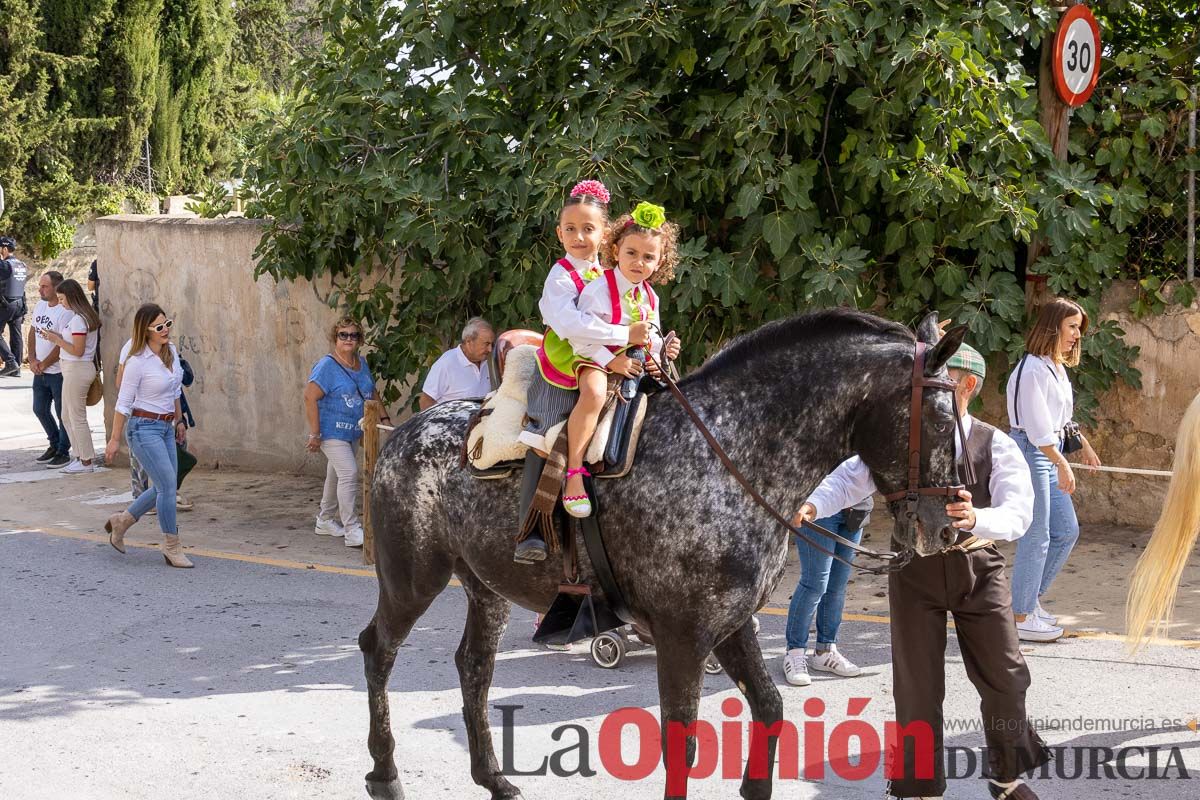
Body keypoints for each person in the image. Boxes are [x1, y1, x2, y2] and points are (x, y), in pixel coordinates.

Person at [796, 341, 1049, 800]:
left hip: (978, 567)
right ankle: (921, 788)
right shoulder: (902, 439)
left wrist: (976, 519)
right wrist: (812, 504)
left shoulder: (996, 444)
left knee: (1008, 676)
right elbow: (851, 477)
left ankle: (1007, 777)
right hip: (913, 567)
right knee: (916, 687)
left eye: (943, 380)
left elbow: (1020, 514)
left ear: (967, 386)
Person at [1006, 297, 1101, 642]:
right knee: (1038, 535)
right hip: (1033, 452)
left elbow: (1059, 417)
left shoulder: (1053, 366)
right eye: (1072, 327)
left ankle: (1028, 601)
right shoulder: (1032, 369)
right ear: (1053, 326)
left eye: (1079, 328)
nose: (1077, 334)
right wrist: (1062, 463)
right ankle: (1019, 616)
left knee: (1066, 531)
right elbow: (1035, 428)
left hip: (1048, 450)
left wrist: (1083, 445)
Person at [102, 304, 192, 568]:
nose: (165, 330)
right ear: (146, 330)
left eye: (168, 324)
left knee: (167, 485)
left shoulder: (171, 352)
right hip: (143, 428)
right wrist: (114, 439)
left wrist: (179, 420)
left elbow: (175, 390)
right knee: (166, 486)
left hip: (166, 427)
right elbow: (123, 403)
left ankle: (122, 522)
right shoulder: (136, 362)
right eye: (159, 327)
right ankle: (171, 546)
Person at [304, 317, 390, 548]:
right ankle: (352, 529)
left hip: (352, 430)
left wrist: (384, 417)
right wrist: (315, 434)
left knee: (336, 474)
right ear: (335, 338)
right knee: (350, 474)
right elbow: (310, 397)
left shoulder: (361, 364)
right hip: (330, 432)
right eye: (343, 335)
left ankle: (324, 520)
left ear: (359, 339)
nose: (348, 339)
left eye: (353, 335)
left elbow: (371, 392)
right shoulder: (327, 366)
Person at [780, 498, 871, 686]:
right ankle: (795, 652)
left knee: (837, 585)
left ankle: (825, 650)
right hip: (818, 507)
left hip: (855, 508)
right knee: (814, 584)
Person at [38, 279, 99, 474]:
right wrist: (58, 337)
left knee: (76, 416)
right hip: (74, 369)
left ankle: (86, 461)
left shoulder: (79, 320)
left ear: (71, 297)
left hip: (77, 369)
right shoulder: (81, 317)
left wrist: (57, 339)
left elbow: (78, 350)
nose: (61, 303)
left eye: (63, 299)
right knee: (67, 415)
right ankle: (80, 456)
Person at [26, 270, 73, 467]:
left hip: (58, 371)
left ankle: (63, 450)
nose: (40, 290)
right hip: (40, 370)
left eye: (44, 286)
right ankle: (54, 443)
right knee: (39, 409)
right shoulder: (39, 306)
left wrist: (45, 363)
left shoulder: (65, 311)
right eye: (40, 286)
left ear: (56, 287)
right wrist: (33, 359)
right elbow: (32, 331)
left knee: (64, 413)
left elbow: (60, 342)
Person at [0, 235, 29, 376]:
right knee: (16, 336)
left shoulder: (5, 265)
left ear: (4, 248)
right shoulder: (22, 265)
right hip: (20, 304)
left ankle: (11, 362)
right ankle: (16, 369)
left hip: (6, 304)